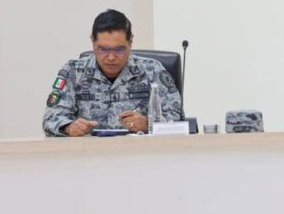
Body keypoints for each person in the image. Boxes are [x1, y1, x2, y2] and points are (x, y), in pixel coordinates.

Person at [42, 9, 183, 137]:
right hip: (88, 153)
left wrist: (148, 124)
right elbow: (51, 118)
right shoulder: (73, 71)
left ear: (130, 42)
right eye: (103, 49)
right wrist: (68, 127)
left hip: (139, 153)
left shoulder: (152, 70)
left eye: (119, 49)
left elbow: (177, 119)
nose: (111, 57)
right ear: (93, 42)